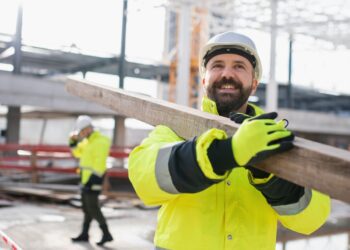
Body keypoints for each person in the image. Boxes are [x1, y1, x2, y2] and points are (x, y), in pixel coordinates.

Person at [128, 32, 330, 250]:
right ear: (204, 80)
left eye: (239, 66)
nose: (227, 74)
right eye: (217, 65)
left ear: (254, 84)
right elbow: (144, 179)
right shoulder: (176, 130)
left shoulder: (273, 139)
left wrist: (269, 176)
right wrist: (225, 153)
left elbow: (311, 219)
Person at [69, 115, 113, 246]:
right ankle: (84, 234)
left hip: (94, 179)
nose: (81, 134)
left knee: (93, 207)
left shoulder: (101, 141)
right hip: (85, 179)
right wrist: (72, 142)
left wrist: (93, 180)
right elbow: (77, 153)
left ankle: (106, 233)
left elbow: (100, 162)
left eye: (82, 131)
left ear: (88, 129)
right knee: (86, 208)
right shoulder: (87, 142)